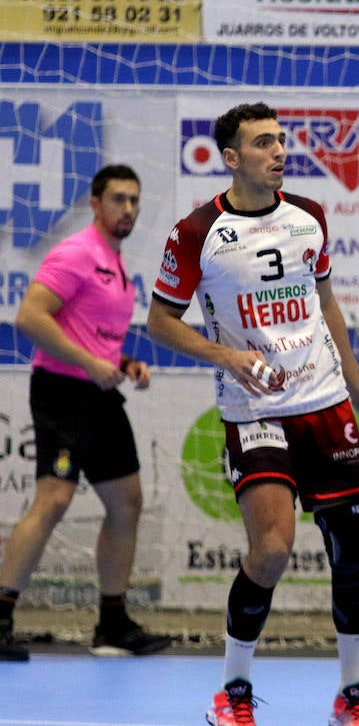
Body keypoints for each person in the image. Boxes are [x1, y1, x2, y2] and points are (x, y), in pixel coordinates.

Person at [146, 103, 359, 726]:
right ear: (232, 158)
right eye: (263, 143)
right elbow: (158, 323)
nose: (278, 151)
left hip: (325, 402)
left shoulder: (309, 217)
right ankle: (233, 689)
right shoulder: (197, 231)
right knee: (273, 549)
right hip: (253, 410)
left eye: (281, 141)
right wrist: (225, 355)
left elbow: (327, 304)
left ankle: (352, 696)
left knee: (352, 549)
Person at [0, 165, 170, 662]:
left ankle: (112, 624)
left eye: (135, 201)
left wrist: (123, 364)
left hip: (98, 394)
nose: (129, 210)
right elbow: (29, 317)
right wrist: (93, 363)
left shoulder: (114, 265)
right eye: (118, 199)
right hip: (62, 394)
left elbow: (89, 335)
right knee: (54, 499)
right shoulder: (76, 253)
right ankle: (0, 617)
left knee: (127, 501)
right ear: (95, 204)